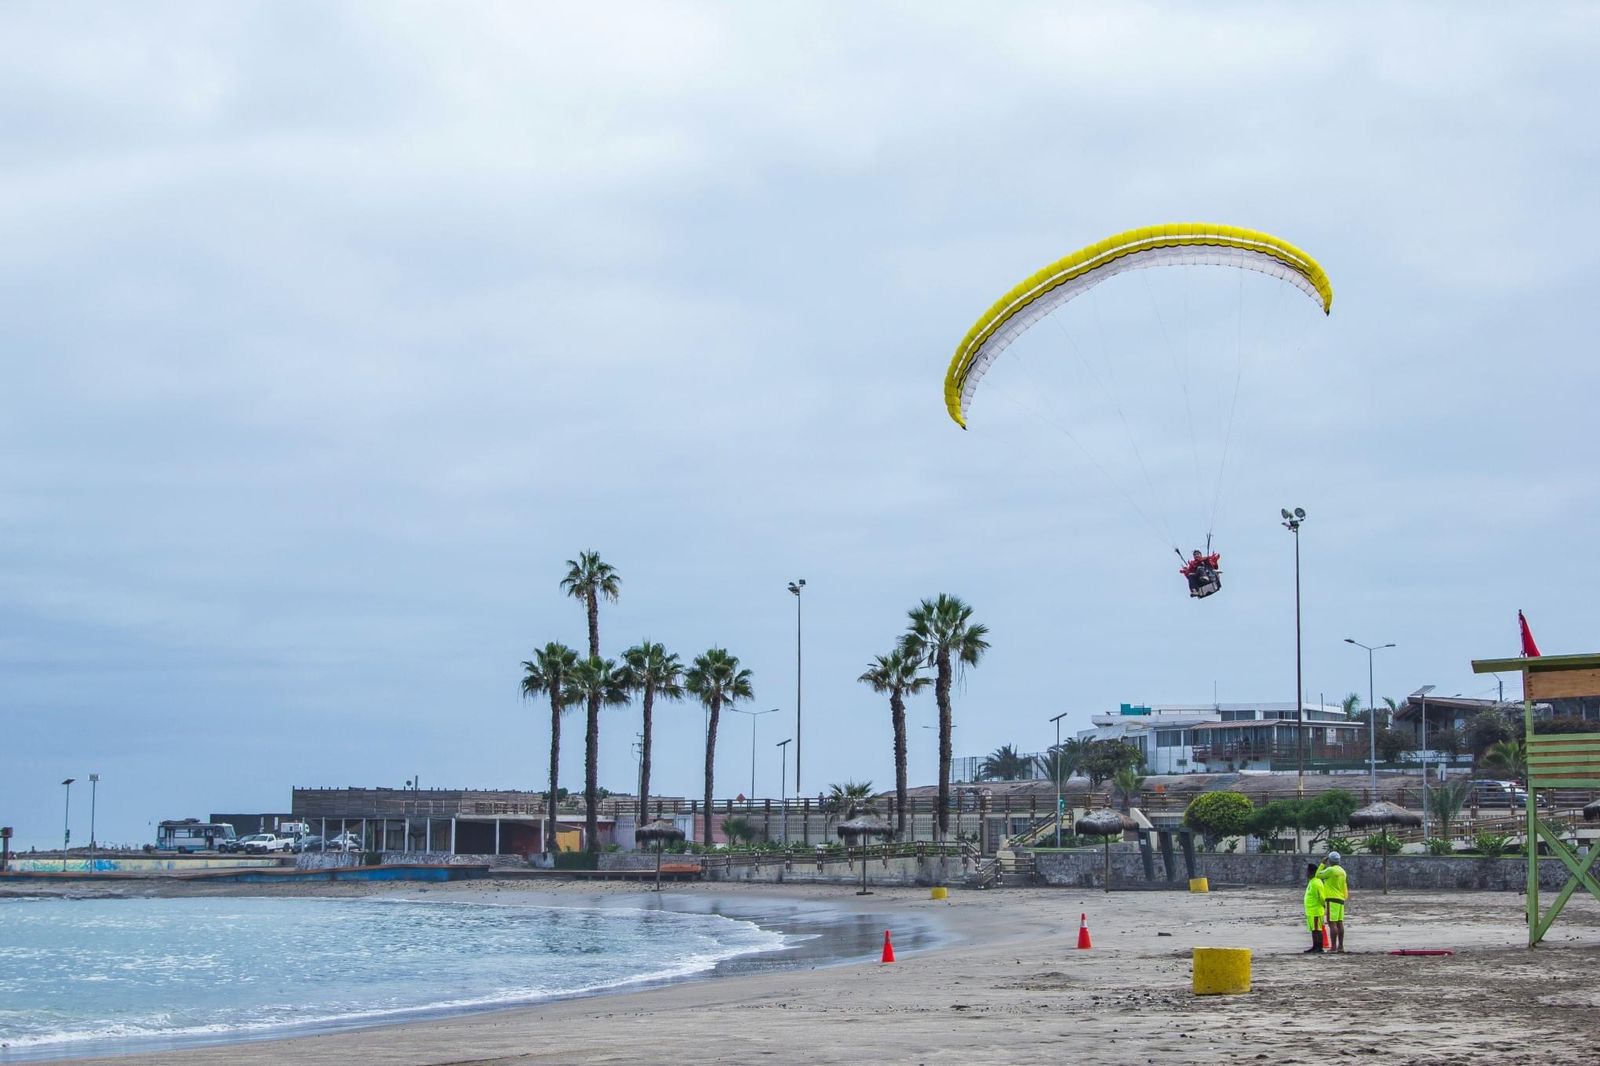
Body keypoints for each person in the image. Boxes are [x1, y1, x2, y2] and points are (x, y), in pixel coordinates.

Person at [1317, 850, 1349, 953]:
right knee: (1340, 923)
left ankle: (1333, 947)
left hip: (1331, 899)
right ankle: (1341, 946)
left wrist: (1322, 864)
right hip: (1341, 899)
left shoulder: (1330, 870)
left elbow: (1317, 875)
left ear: (1330, 860)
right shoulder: (1343, 872)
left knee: (1332, 923)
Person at [1302, 862, 1327, 953]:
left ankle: (1319, 947)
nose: (1306, 873)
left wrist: (1323, 906)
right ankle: (1314, 946)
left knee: (1317, 929)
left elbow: (1322, 897)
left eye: (1307, 871)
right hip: (1311, 911)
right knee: (1314, 929)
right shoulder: (1312, 881)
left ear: (1312, 872)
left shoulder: (1317, 882)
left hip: (1316, 910)